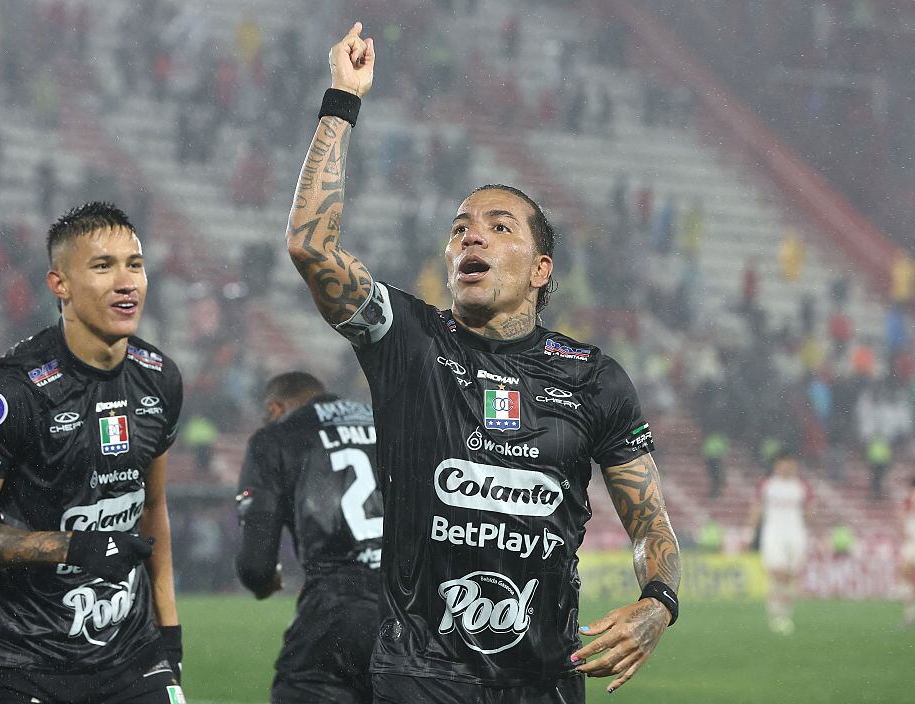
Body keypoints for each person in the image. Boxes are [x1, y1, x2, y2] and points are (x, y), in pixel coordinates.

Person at [283, 23, 681, 702]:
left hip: (548, 682)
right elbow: (311, 249)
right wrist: (342, 101)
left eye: (501, 227)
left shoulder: (594, 378)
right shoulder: (407, 339)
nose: (473, 234)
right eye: (461, 227)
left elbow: (650, 523)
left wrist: (660, 601)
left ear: (540, 269)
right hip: (421, 676)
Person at [0, 203, 186, 704]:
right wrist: (74, 547)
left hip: (132, 657)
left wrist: (169, 633)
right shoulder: (13, 390)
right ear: (59, 284)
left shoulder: (160, 377)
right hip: (22, 662)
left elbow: (152, 507)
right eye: (103, 266)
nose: (126, 281)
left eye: (134, 264)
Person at [236, 371, 383, 703]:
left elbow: (255, 566)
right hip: (411, 618)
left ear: (274, 408)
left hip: (334, 615)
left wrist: (264, 581)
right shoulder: (386, 420)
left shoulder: (276, 436)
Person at [748, 447, 812, 635]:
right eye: (784, 462)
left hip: (796, 533)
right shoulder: (767, 485)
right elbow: (757, 508)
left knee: (791, 575)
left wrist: (816, 534)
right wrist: (750, 531)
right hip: (773, 533)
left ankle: (785, 614)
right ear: (777, 465)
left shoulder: (801, 486)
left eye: (791, 463)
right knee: (777, 572)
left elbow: (809, 511)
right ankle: (776, 614)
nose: (787, 466)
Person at [901, 476, 915, 627]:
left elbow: (902, 517)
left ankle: (909, 615)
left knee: (906, 578)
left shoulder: (909, 497)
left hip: (912, 542)